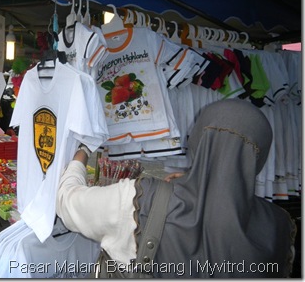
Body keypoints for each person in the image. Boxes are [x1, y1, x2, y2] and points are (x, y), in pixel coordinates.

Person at [56, 99, 296, 278]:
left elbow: (68, 202)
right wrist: (195, 182)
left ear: (198, 142)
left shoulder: (141, 200)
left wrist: (82, 153)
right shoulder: (280, 225)